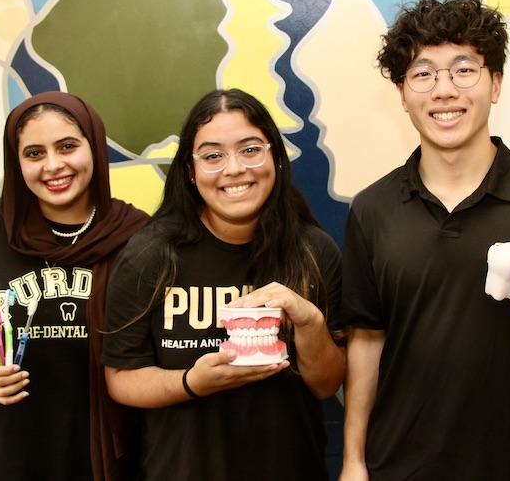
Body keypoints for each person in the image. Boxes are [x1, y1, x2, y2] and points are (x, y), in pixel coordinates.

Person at [339, 0, 510, 480]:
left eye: (464, 70)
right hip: (392, 467)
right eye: (423, 74)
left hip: (504, 465)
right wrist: (354, 462)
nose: (444, 90)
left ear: (496, 84)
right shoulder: (372, 210)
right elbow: (366, 339)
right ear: (402, 94)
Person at [0, 91, 149, 480]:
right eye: (34, 153)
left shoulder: (139, 238)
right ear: (16, 162)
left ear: (95, 147)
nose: (53, 165)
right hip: (11, 458)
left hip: (120, 461)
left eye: (67, 146)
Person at [102, 88, 345, 480]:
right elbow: (121, 380)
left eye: (250, 150)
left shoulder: (314, 250)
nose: (234, 169)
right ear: (190, 170)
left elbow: (326, 385)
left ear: (275, 158)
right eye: (213, 156)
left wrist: (309, 321)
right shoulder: (150, 254)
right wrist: (192, 383)